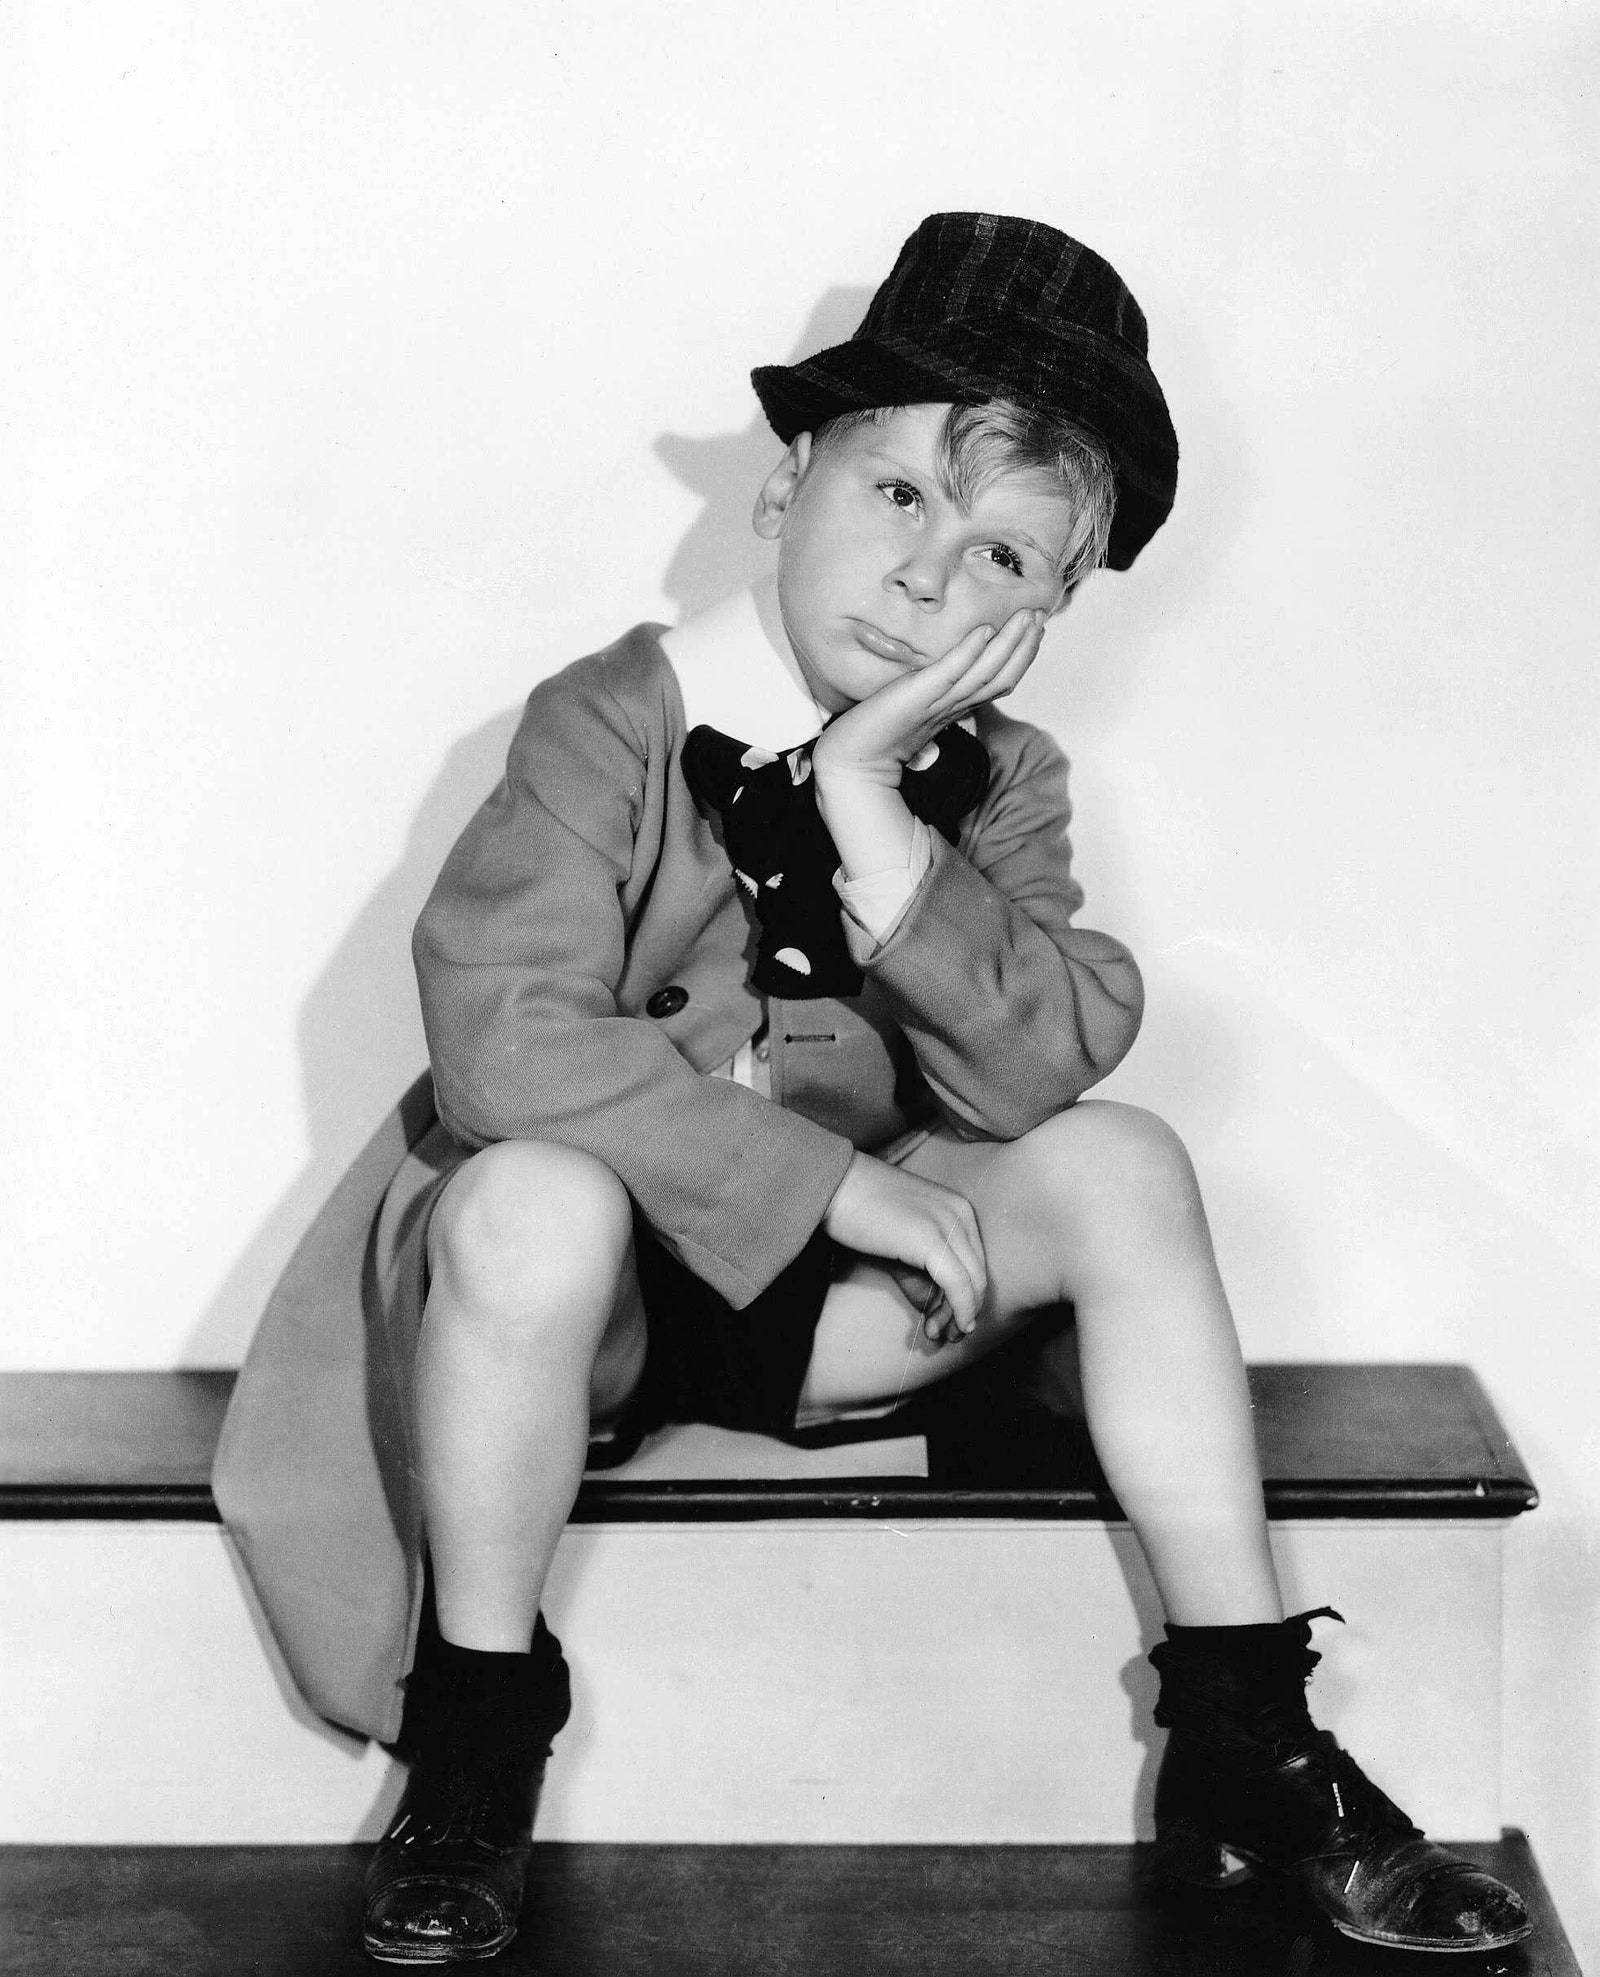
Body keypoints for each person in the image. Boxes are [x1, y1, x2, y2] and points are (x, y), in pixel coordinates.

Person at [217, 212, 1533, 1964]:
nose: (926, 577)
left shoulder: (1006, 779)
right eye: (900, 493)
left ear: (1044, 619)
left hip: (838, 1320)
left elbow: (1044, 1062)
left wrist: (869, 814)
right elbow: (499, 1033)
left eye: (1000, 554)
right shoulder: (609, 715)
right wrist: (832, 1180)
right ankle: (473, 1741)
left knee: (1128, 1162)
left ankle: (1249, 1726)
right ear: (787, 486)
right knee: (529, 1195)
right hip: (572, 1321)